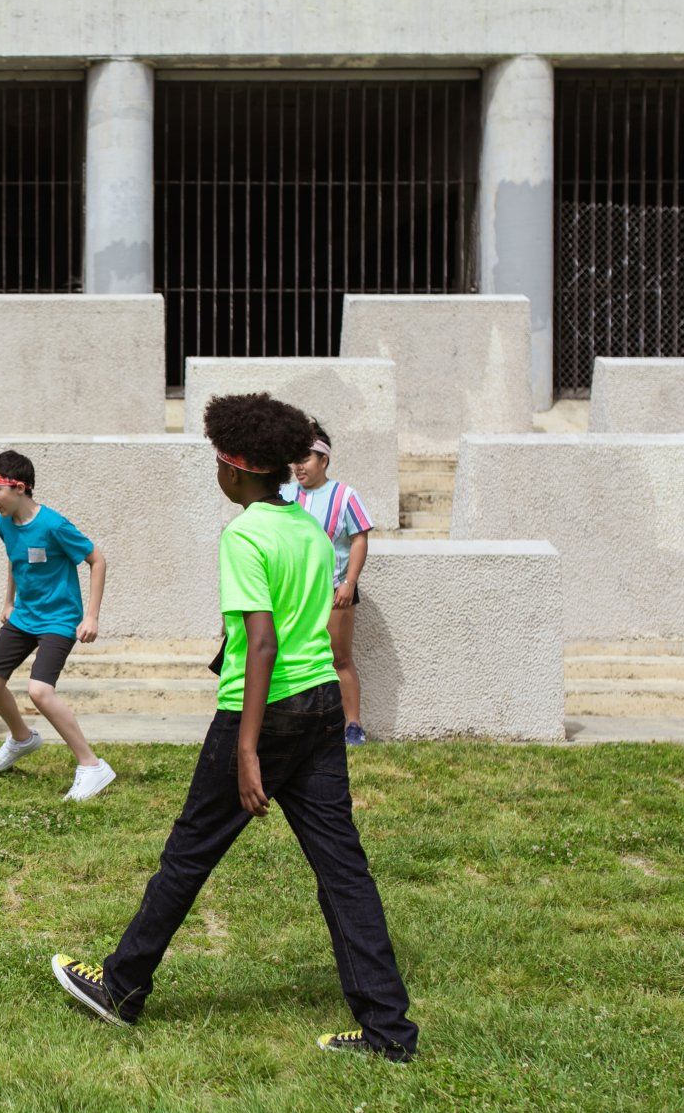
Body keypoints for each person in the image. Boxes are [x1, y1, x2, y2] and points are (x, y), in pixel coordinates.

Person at [48, 393, 417, 1062]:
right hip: (323, 706)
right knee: (344, 870)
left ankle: (122, 987)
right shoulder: (306, 527)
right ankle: (389, 1031)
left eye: (217, 462)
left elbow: (263, 642)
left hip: (263, 711)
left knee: (189, 853)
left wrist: (246, 749)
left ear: (238, 469)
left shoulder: (244, 535)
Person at [0, 449, 115, 803]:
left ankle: (91, 765)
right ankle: (22, 738)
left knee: (40, 690)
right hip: (24, 615)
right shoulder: (4, 524)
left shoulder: (54, 525)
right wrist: (8, 601)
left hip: (59, 618)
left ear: (19, 487)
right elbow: (14, 560)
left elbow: (96, 560)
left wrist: (92, 616)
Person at [283, 420, 374, 745]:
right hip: (295, 594)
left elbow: (359, 538)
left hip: (335, 591)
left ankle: (352, 725)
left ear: (324, 460)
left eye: (305, 457)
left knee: (339, 658)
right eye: (295, 458)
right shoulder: (285, 494)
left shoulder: (344, 495)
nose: (298, 465)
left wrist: (349, 582)